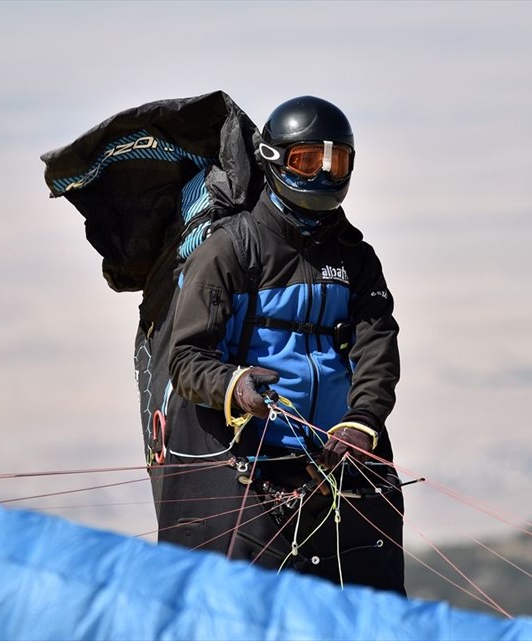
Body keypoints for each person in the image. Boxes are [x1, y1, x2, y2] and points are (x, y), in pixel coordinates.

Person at [154, 96, 405, 594]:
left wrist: (364, 422)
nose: (324, 175)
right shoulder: (229, 250)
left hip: (337, 463)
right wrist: (235, 384)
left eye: (338, 161)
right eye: (307, 160)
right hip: (246, 461)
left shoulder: (356, 257)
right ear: (274, 160)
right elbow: (185, 358)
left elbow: (377, 343)